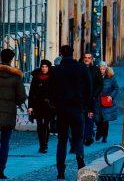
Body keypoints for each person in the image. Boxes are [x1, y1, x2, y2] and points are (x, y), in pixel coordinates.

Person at [48, 45, 91, 180]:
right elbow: (89, 88)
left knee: (62, 140)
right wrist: (84, 106)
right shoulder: (81, 68)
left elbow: (50, 91)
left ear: (61, 54)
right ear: (73, 53)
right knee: (78, 138)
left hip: (62, 110)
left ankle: (61, 170)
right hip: (77, 108)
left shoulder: (56, 70)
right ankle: (80, 161)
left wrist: (55, 105)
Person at [0, 48, 27, 180]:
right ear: (11, 59)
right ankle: (0, 170)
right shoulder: (16, 77)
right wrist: (14, 101)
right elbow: (21, 97)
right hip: (8, 113)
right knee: (5, 142)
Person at [28, 59, 54, 153]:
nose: (44, 68)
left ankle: (45, 144)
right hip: (38, 104)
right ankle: (41, 144)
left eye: (46, 67)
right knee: (39, 124)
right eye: (42, 66)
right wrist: (30, 106)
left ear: (49, 68)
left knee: (46, 124)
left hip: (48, 105)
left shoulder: (52, 77)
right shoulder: (36, 77)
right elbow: (31, 92)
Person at [80, 52, 103, 146]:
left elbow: (100, 84)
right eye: (85, 57)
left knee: (89, 118)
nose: (87, 59)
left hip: (91, 99)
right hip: (80, 98)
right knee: (81, 119)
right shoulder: (79, 68)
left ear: (92, 59)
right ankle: (82, 136)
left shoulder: (95, 70)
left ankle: (88, 136)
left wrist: (94, 95)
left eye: (89, 58)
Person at [94, 62, 119, 143]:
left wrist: (111, 96)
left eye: (103, 69)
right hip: (97, 101)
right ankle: (99, 132)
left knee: (105, 120)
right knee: (97, 119)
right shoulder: (95, 77)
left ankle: (104, 136)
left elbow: (116, 88)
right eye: (100, 69)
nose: (102, 71)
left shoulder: (110, 77)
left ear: (106, 69)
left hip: (106, 101)